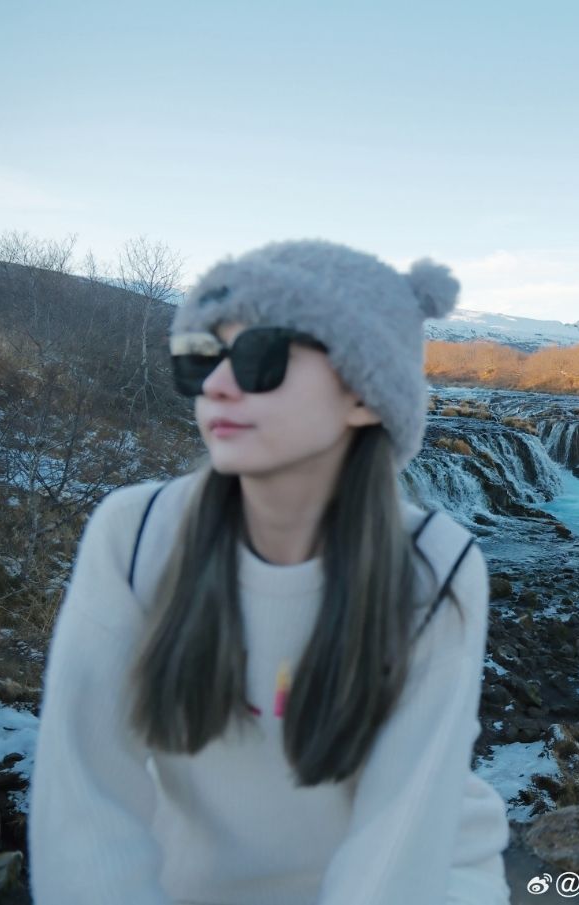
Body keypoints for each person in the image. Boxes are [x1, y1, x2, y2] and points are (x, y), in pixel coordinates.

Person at [27, 240, 512, 904]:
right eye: (202, 356)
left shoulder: (434, 568)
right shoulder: (137, 536)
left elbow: (399, 839)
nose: (217, 385)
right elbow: (84, 795)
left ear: (365, 394)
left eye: (262, 356)